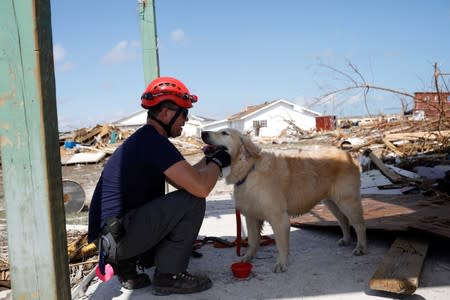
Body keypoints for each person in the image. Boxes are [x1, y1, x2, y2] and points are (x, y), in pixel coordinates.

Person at [87, 76, 231, 295]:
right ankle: (169, 276)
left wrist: (209, 159)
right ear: (166, 113)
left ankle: (128, 269)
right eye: (184, 114)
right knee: (193, 201)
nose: (185, 120)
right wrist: (219, 163)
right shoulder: (154, 142)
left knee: (186, 194)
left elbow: (186, 178)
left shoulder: (146, 139)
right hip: (118, 239)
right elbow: (199, 188)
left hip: (110, 238)